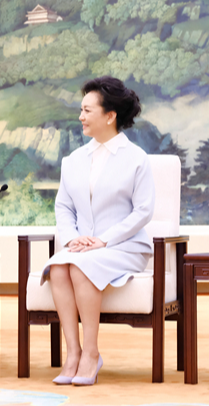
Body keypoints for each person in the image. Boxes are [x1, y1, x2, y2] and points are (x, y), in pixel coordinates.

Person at [43, 76, 155, 386]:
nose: (80, 117)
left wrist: (104, 240)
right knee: (58, 268)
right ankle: (73, 353)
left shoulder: (137, 159)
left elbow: (143, 211)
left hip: (126, 247)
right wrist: (71, 238)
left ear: (110, 115)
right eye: (81, 110)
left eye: (87, 110)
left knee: (78, 268)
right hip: (82, 246)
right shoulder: (74, 160)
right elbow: (63, 207)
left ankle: (91, 354)